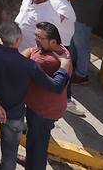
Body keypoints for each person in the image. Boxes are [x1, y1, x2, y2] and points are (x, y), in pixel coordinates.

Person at [0, 21, 70, 170]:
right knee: (10, 152)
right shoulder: (29, 66)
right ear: (19, 40)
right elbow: (56, 86)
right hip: (14, 113)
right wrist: (64, 64)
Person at [22, 22, 69, 170]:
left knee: (38, 146)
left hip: (41, 111)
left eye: (40, 38)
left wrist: (28, 53)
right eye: (36, 36)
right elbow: (31, 51)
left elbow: (22, 62)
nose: (36, 40)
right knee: (34, 140)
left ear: (53, 41)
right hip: (47, 108)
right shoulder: (62, 51)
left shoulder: (46, 61)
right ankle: (30, 161)